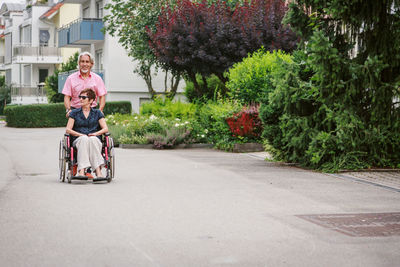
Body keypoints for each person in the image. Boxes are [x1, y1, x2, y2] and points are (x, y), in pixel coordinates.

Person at [66, 88, 109, 179]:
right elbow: (68, 130)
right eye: (80, 97)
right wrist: (79, 134)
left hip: (94, 138)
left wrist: (95, 133)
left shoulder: (97, 113)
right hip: (79, 139)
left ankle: (98, 172)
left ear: (91, 100)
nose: (80, 99)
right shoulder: (74, 113)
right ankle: (82, 171)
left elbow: (105, 128)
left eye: (83, 97)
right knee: (84, 139)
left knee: (93, 139)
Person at [62, 51, 107, 117]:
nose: (84, 64)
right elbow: (66, 96)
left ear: (91, 64)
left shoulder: (98, 79)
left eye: (87, 62)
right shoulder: (70, 78)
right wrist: (68, 110)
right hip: (75, 111)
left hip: (92, 111)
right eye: (82, 61)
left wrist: (100, 110)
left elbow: (102, 96)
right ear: (79, 63)